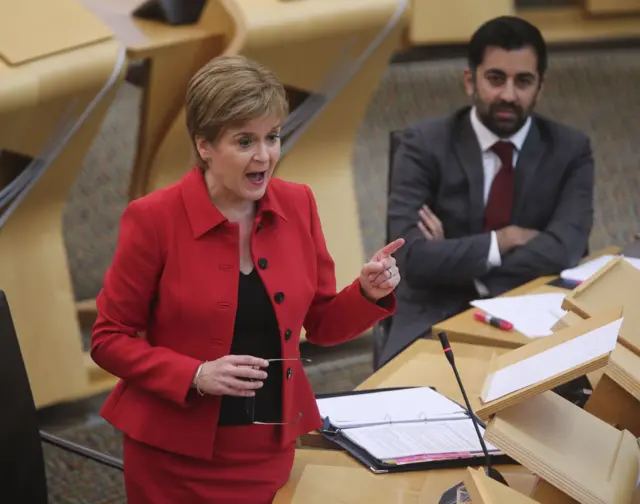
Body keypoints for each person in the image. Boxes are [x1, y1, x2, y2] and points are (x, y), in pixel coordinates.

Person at [91, 55, 404, 503]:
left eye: (272, 137)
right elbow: (108, 338)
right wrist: (194, 373)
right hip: (172, 460)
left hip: (264, 451)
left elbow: (322, 324)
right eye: (244, 141)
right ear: (204, 146)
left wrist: (367, 294)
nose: (265, 156)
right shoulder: (153, 219)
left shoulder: (298, 204)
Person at [378, 16, 594, 366]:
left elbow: (564, 251)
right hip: (432, 315)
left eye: (523, 81)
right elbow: (411, 260)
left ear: (541, 87)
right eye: (495, 79)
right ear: (470, 81)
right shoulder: (422, 145)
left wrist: (453, 256)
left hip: (530, 311)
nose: (508, 95)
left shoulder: (571, 150)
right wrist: (504, 240)